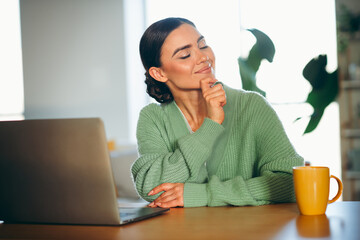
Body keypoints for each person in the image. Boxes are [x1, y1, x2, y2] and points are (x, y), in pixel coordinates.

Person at [131, 17, 304, 208]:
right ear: (159, 74)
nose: (204, 57)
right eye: (185, 55)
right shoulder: (153, 118)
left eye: (203, 45)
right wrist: (211, 126)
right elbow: (152, 188)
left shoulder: (251, 106)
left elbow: (290, 182)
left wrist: (204, 194)